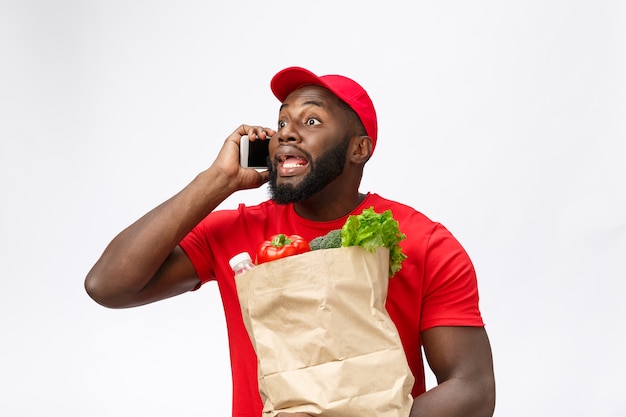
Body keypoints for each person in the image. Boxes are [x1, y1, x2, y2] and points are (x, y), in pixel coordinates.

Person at [85, 66, 496, 417]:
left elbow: (472, 388)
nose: (287, 134)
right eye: (282, 123)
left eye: (311, 121)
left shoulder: (424, 241)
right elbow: (109, 286)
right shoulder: (236, 232)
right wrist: (218, 181)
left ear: (359, 148)